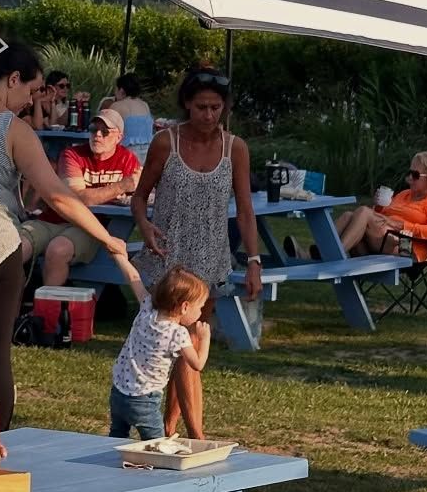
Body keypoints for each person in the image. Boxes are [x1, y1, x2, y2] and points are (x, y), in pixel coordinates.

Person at [0, 40, 129, 430]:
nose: (29, 103)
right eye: (30, 92)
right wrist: (107, 238)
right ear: (12, 79)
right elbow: (58, 197)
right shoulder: (13, 130)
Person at [130, 68, 259, 440]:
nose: (208, 115)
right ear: (187, 104)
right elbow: (140, 198)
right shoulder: (165, 143)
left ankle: (170, 431)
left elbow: (246, 210)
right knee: (171, 352)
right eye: (201, 107)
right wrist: (145, 226)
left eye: (216, 107)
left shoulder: (235, 147)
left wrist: (253, 261)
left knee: (185, 352)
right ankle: (195, 435)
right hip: (167, 263)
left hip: (209, 265)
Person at [20, 108, 142, 288]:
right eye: (93, 129)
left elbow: (141, 192)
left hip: (90, 226)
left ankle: (46, 311)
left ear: (119, 137)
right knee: (16, 247)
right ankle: (0, 307)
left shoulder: (128, 159)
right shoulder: (73, 155)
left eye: (105, 131)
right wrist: (121, 186)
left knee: (58, 250)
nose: (97, 135)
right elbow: (76, 197)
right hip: (51, 220)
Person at [109, 264, 211, 441]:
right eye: (200, 307)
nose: (201, 312)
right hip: (145, 402)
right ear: (185, 307)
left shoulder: (147, 308)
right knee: (158, 445)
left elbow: (133, 276)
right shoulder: (177, 334)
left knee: (116, 438)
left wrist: (119, 256)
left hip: (118, 393)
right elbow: (197, 364)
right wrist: (204, 339)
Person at [335, 151, 427, 258]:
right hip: (384, 238)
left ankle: (335, 255)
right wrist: (379, 206)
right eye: (409, 173)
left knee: (364, 212)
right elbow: (380, 218)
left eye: (415, 175)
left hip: (408, 247)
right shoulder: (404, 194)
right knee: (348, 215)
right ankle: (323, 250)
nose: (410, 178)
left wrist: (400, 225)